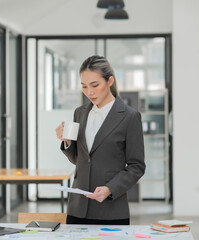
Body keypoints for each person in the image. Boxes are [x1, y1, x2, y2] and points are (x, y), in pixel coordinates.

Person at [55, 55, 145, 225]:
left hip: (111, 209)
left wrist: (110, 189)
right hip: (78, 208)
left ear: (109, 80)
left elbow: (137, 166)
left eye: (95, 85)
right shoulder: (80, 113)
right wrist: (67, 142)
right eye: (84, 86)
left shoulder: (130, 117)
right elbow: (80, 160)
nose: (89, 92)